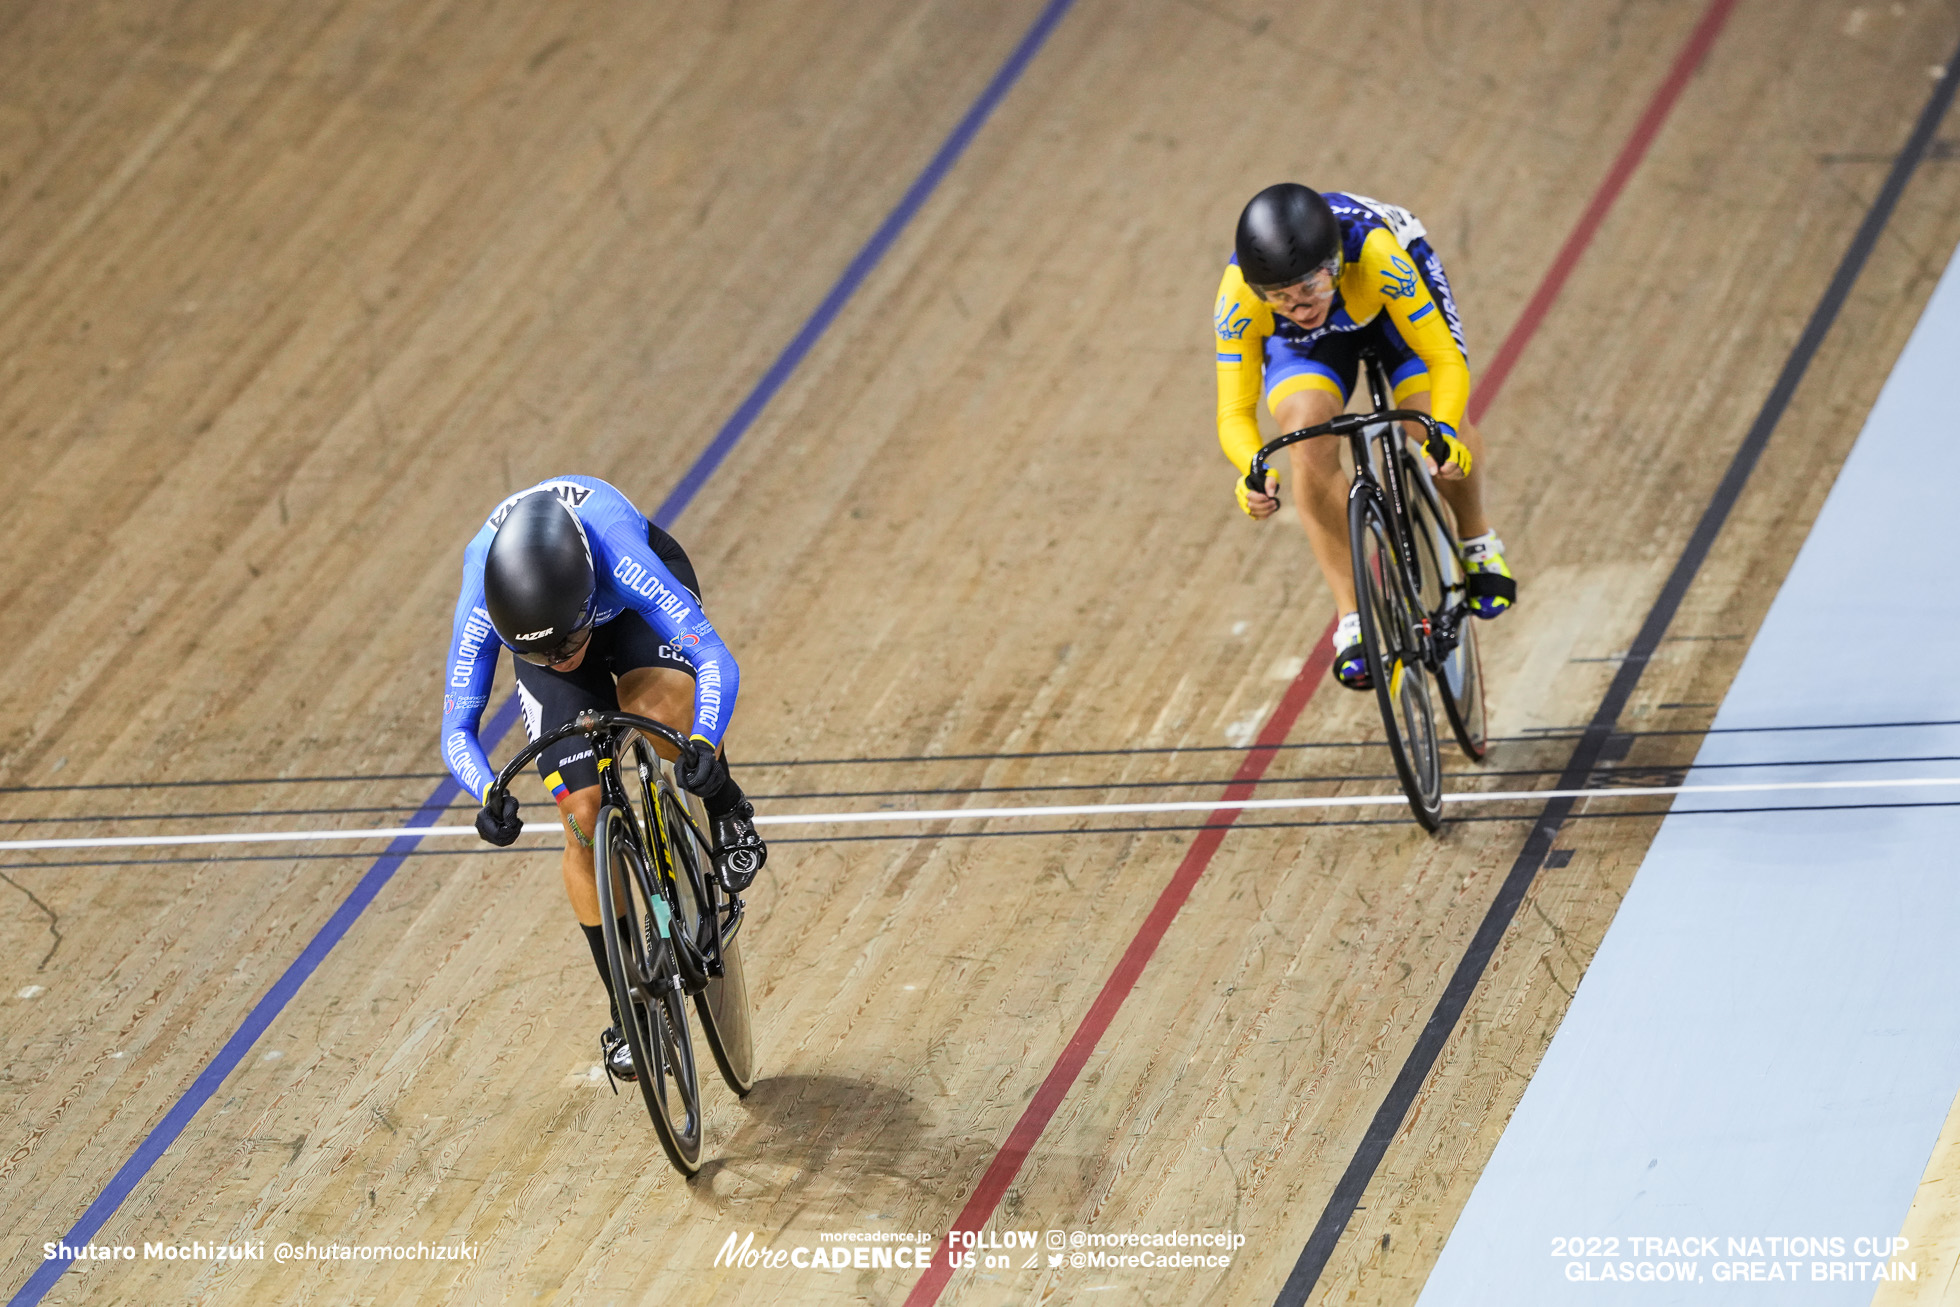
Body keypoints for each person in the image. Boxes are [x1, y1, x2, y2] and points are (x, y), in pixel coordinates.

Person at [439, 475, 766, 1082]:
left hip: (626, 610)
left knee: (667, 717)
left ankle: (727, 806)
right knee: (581, 816)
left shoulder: (620, 553)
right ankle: (626, 1004)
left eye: (565, 645)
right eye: (538, 653)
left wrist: (702, 747)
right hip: (560, 610)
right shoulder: (485, 601)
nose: (558, 657)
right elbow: (457, 728)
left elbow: (715, 659)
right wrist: (487, 792)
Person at [1214, 183, 1516, 688]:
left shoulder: (1377, 255)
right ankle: (1353, 620)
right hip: (1309, 347)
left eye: (1310, 287)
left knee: (1426, 419)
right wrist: (1250, 469)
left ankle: (1477, 538)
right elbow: (1233, 412)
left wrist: (1443, 430)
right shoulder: (1240, 299)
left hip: (1388, 307)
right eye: (1281, 297)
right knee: (1305, 440)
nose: (1300, 305)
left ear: (1334, 263)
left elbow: (1443, 358)